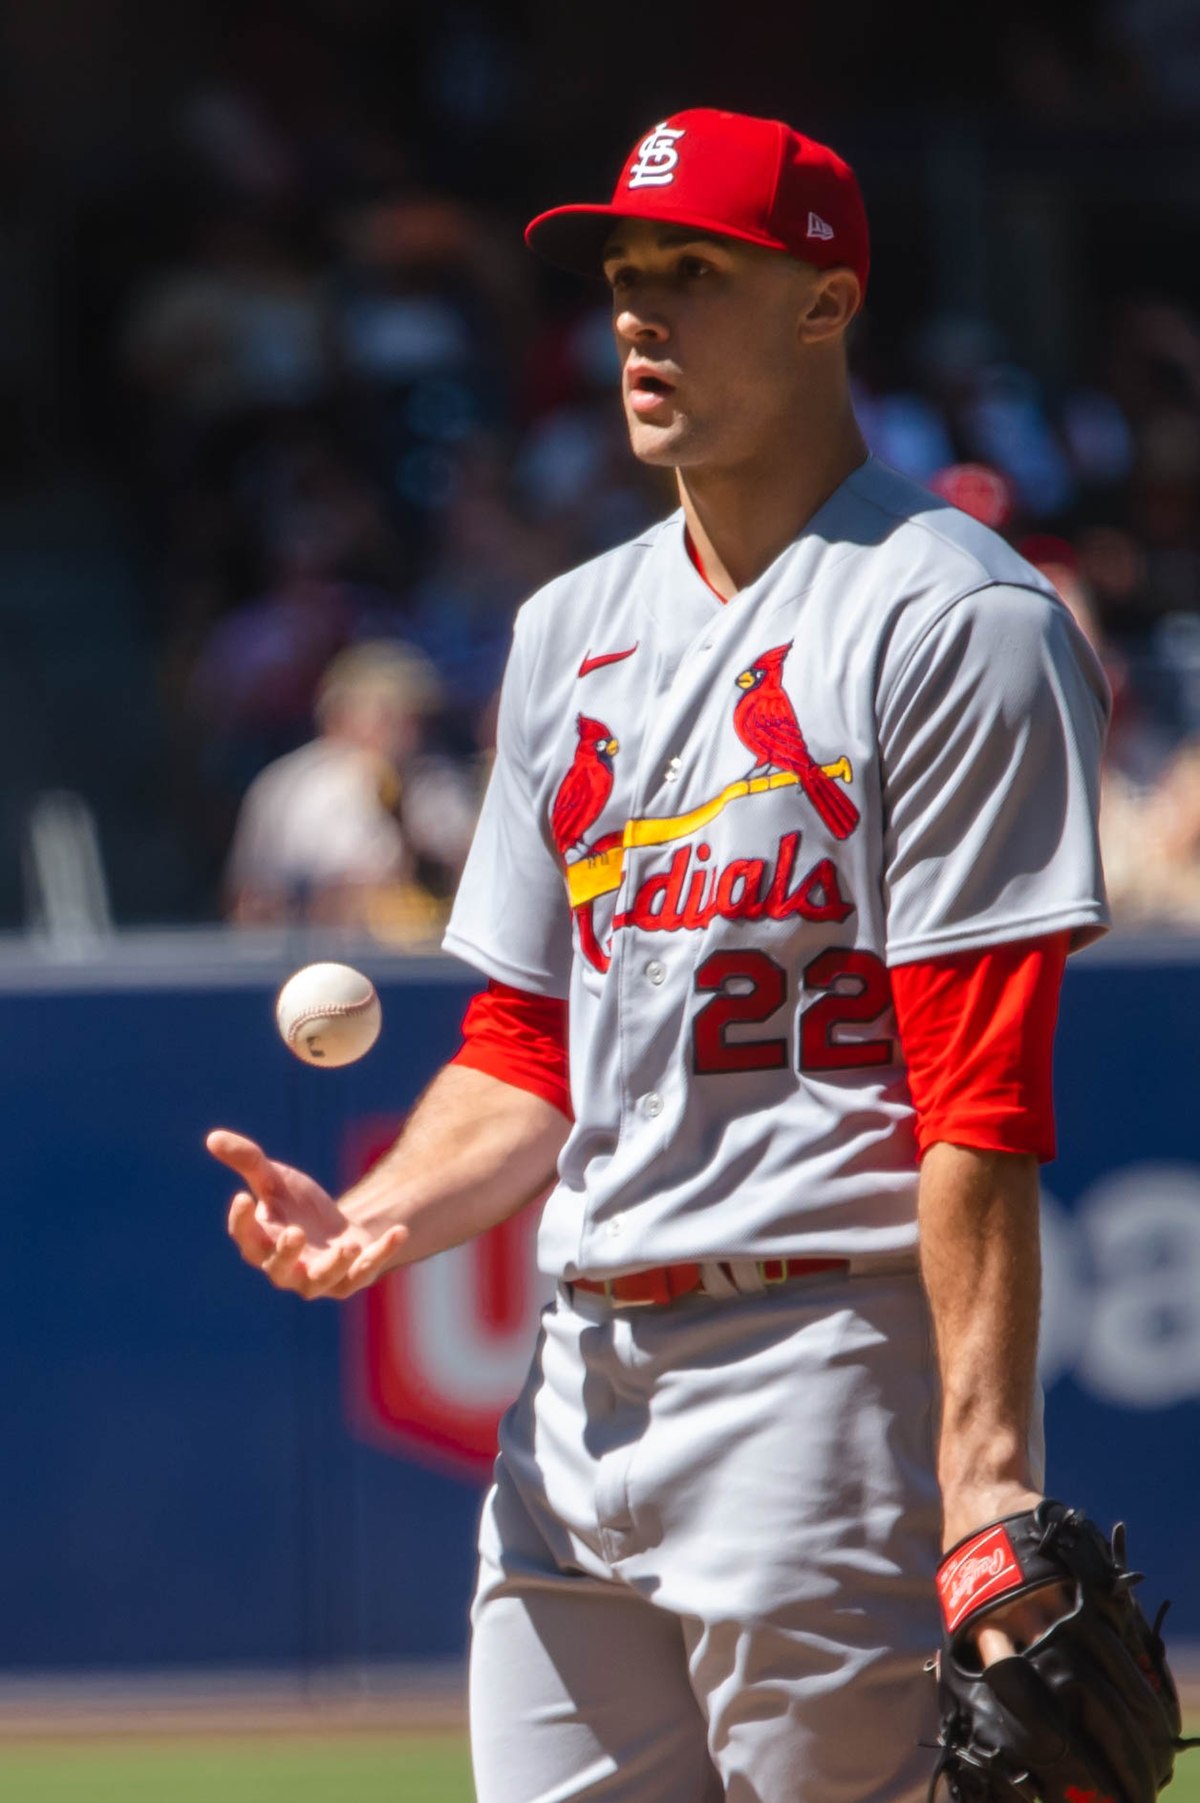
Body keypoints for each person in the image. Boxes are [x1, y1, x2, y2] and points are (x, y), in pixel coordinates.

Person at [208, 108, 1109, 1803]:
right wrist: (384, 1211)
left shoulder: (950, 617)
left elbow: (978, 1079)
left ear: (826, 301)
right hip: (574, 1389)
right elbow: (532, 1042)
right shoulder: (567, 630)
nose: (637, 312)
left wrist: (985, 1479)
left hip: (821, 1366)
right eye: (625, 274)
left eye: (693, 272)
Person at [224, 639, 476, 934]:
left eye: (413, 716)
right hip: (315, 958)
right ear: (340, 714)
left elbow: (471, 882)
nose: (407, 730)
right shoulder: (291, 786)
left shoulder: (438, 781)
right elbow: (250, 900)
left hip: (422, 965)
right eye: (388, 714)